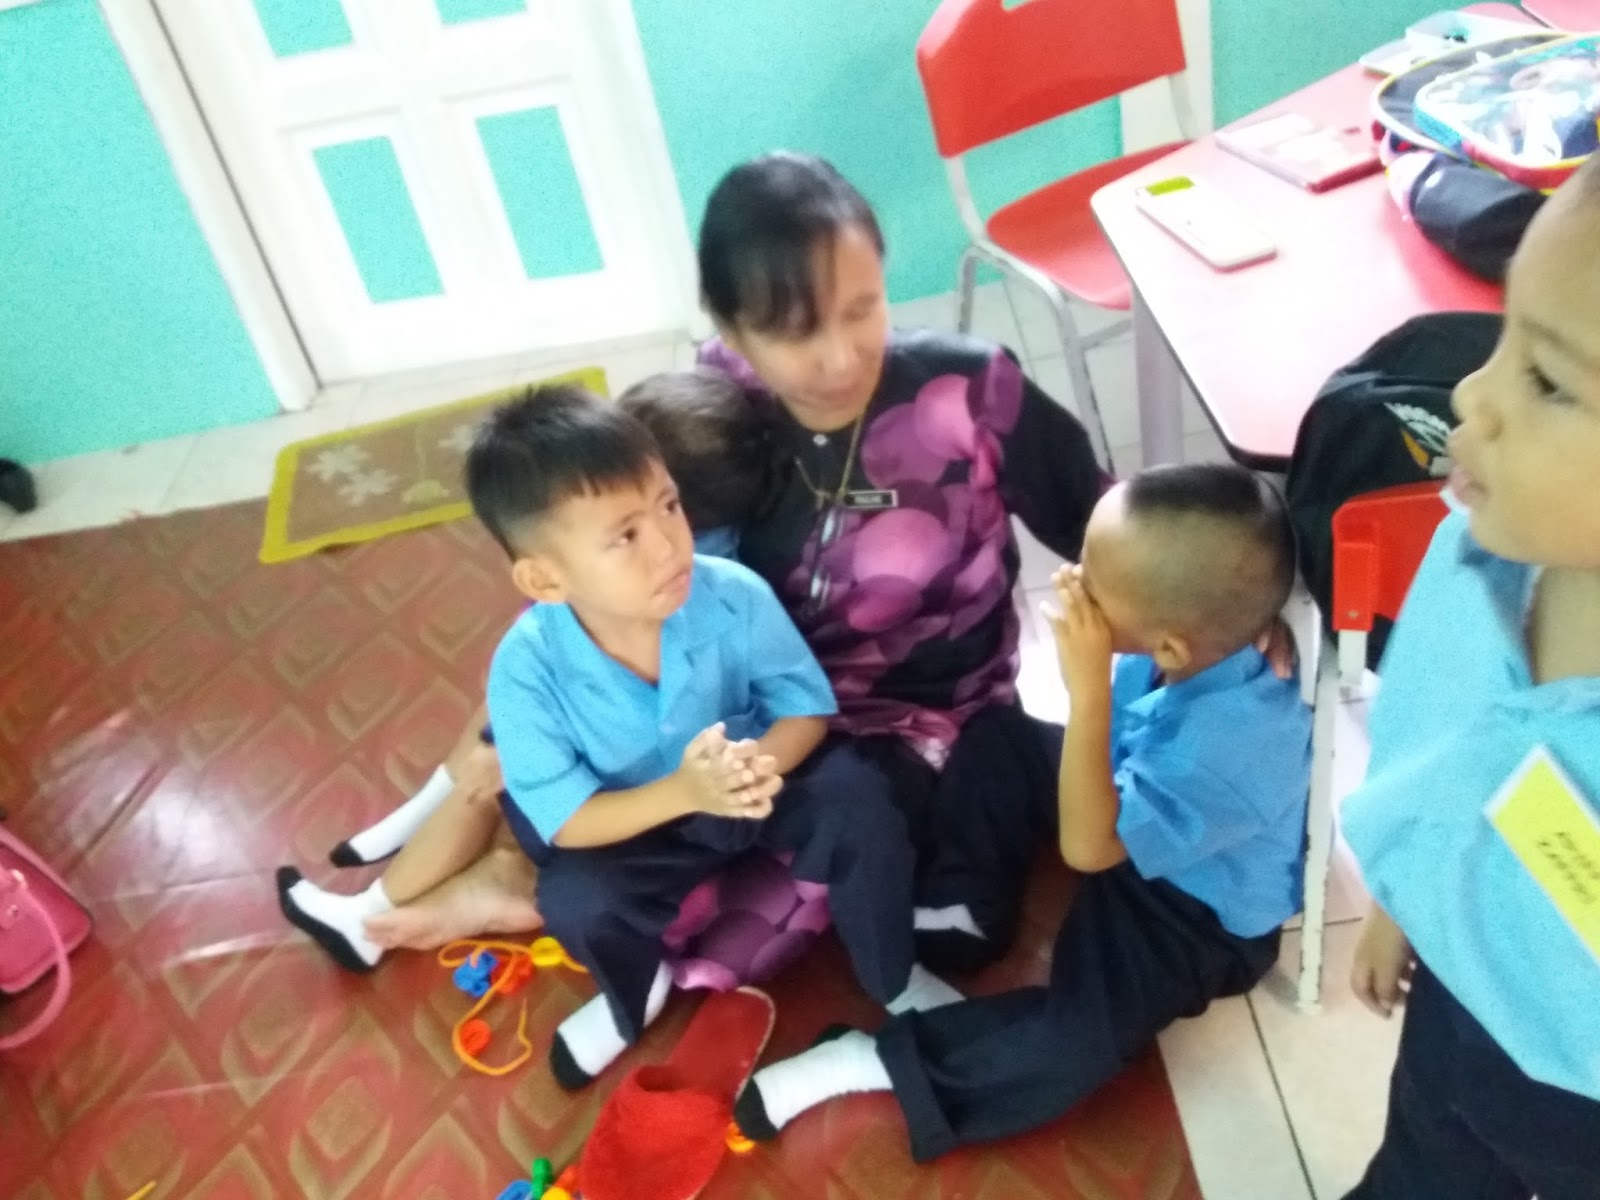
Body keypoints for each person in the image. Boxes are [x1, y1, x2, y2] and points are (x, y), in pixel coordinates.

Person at [307, 150, 1120, 974]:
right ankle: (491, 837)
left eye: (862, 310)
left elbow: (1104, 525)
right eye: (795, 332)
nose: (842, 358)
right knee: (575, 765)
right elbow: (604, 551)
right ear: (733, 333)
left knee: (768, 917)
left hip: (913, 720)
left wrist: (1182, 644)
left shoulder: (967, 393)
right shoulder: (713, 407)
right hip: (732, 702)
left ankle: (517, 880)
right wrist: (527, 706)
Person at [729, 463, 1311, 1162]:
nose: (1071, 582)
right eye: (1083, 559)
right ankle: (961, 906)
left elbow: (1090, 849)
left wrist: (1087, 691)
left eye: (1093, 583)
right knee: (998, 735)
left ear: (1170, 646)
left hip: (1188, 913)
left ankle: (877, 1061)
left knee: (1078, 1041)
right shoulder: (1201, 644)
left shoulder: (1230, 748)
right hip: (1125, 793)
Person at [412, 383, 960, 1089]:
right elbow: (568, 820)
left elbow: (804, 711)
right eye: (625, 536)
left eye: (668, 506)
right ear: (545, 580)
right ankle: (632, 995)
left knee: (859, 796)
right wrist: (685, 792)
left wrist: (752, 769)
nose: (669, 544)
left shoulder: (731, 591)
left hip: (746, 785)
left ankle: (894, 975)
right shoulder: (524, 670)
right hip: (635, 824)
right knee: (578, 900)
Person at [275, 369, 782, 969]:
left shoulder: (692, 569)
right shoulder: (681, 546)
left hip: (617, 747)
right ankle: (414, 833)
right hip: (593, 693)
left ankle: (371, 912)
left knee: (492, 772)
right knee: (497, 728)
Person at [1339, 157, 1600, 1200]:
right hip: (1458, 991)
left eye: (1549, 382)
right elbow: (1446, 763)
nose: (1468, 397)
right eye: (1505, 337)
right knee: (1422, 1163)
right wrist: (1402, 904)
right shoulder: (1490, 546)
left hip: (1578, 1097)